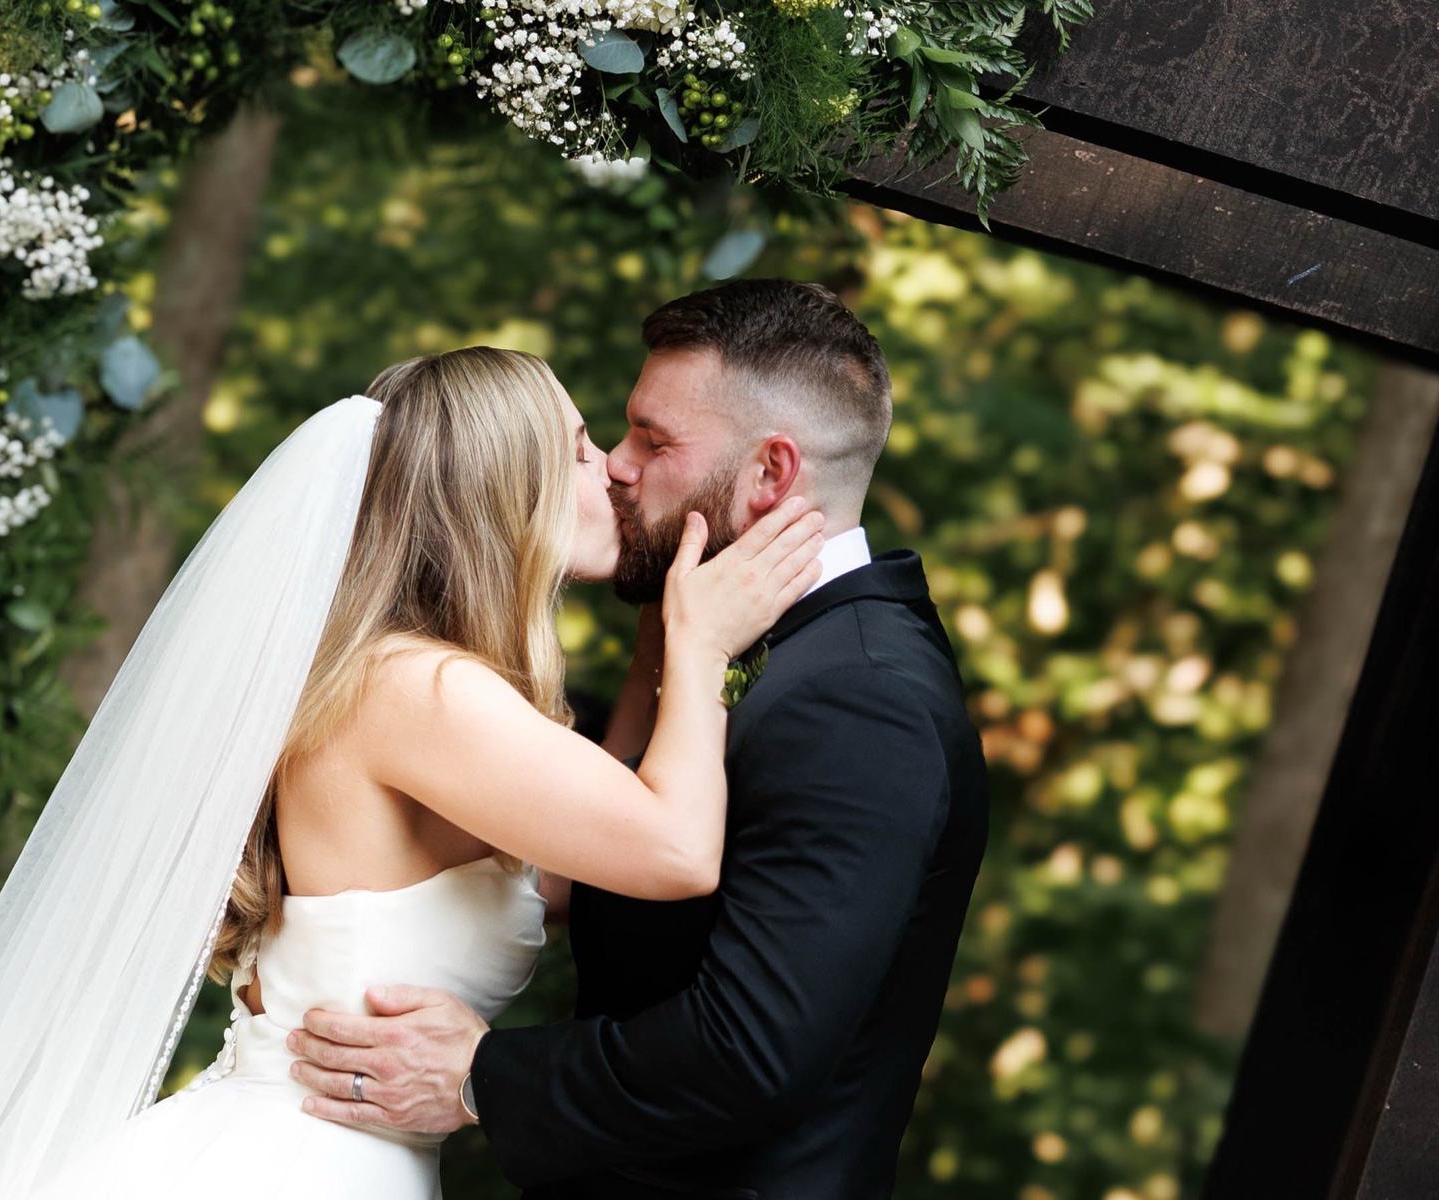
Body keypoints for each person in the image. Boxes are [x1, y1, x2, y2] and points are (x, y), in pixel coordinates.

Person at [0, 344, 823, 1200]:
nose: (610, 470)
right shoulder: (419, 689)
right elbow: (677, 850)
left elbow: (566, 868)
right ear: (504, 489)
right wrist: (699, 649)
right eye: (575, 447)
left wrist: (659, 644)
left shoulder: (402, 680)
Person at [286, 279, 991, 1200]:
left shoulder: (861, 697)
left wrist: (478, 1078)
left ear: (771, 475)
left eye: (654, 442)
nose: (618, 466)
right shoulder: (727, 645)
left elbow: (751, 1049)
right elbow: (603, 873)